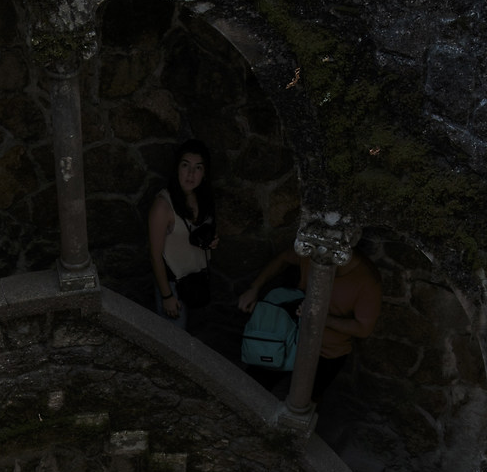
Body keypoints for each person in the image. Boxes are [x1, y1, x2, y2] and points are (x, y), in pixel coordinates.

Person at [237, 242, 383, 402]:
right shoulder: (315, 251)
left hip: (326, 351)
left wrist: (322, 319)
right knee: (250, 386)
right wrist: (255, 288)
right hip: (289, 337)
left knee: (303, 404)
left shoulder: (367, 280)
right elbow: (284, 258)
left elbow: (363, 328)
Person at [146, 139, 220, 330]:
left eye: (198, 168)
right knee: (174, 343)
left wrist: (212, 241)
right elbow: (155, 256)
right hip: (174, 286)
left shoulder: (203, 198)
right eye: (185, 165)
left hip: (198, 281)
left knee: (198, 338)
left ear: (204, 173)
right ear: (177, 168)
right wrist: (166, 296)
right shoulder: (163, 206)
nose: (190, 174)